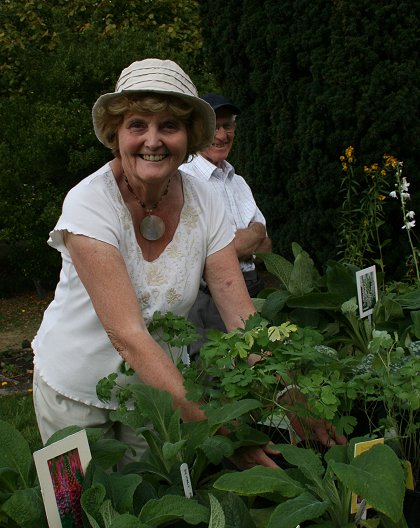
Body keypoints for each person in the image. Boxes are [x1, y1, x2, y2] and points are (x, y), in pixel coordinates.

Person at [32, 59, 344, 468]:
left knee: (155, 496)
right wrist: (216, 430)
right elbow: (128, 334)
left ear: (189, 136)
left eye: (169, 126)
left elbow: (240, 312)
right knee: (86, 507)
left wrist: (289, 389)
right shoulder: (90, 202)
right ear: (116, 134)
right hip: (74, 390)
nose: (153, 140)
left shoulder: (206, 200)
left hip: (161, 393)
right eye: (138, 125)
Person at [180, 94, 272, 358]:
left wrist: (250, 239)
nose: (221, 136)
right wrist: (254, 231)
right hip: (208, 296)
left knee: (257, 365)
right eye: (213, 127)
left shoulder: (238, 181)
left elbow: (267, 246)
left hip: (253, 286)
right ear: (197, 131)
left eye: (227, 126)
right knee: (217, 371)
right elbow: (203, 252)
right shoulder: (185, 181)